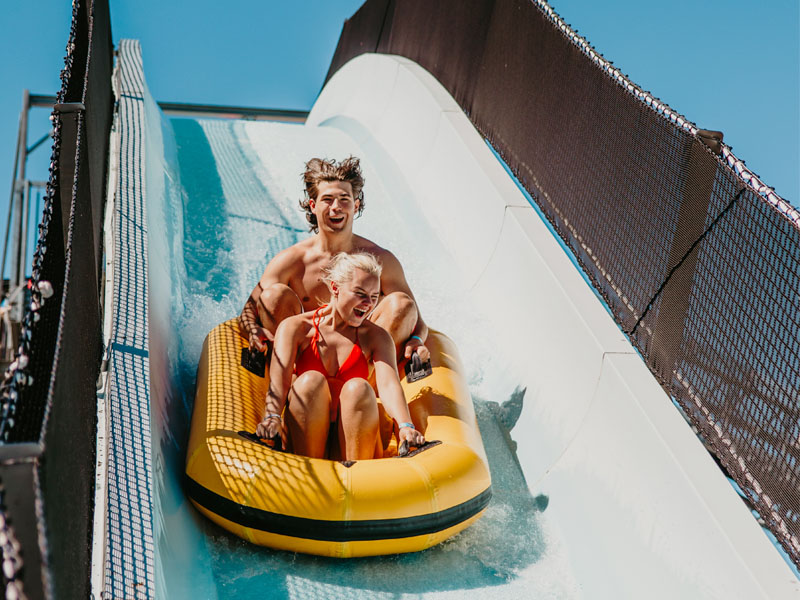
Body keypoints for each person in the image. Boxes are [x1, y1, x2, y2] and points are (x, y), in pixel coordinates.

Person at [238, 156, 429, 364]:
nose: (336, 207)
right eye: (327, 199)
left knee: (401, 302)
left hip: (364, 368)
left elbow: (417, 320)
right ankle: (287, 377)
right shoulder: (292, 261)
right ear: (313, 205)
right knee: (273, 295)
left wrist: (418, 340)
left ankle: (371, 385)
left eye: (344, 199)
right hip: (303, 366)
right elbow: (249, 310)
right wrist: (253, 329)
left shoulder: (380, 260)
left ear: (355, 206)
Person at [255, 252, 425, 460]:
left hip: (355, 434)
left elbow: (389, 385)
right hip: (306, 431)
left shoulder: (376, 337)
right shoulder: (296, 328)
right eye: (360, 294)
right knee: (309, 382)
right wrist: (271, 417)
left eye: (373, 297)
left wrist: (406, 426)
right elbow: (279, 382)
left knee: (359, 388)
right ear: (335, 288)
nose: (368, 304)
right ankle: (309, 471)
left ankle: (359, 478)